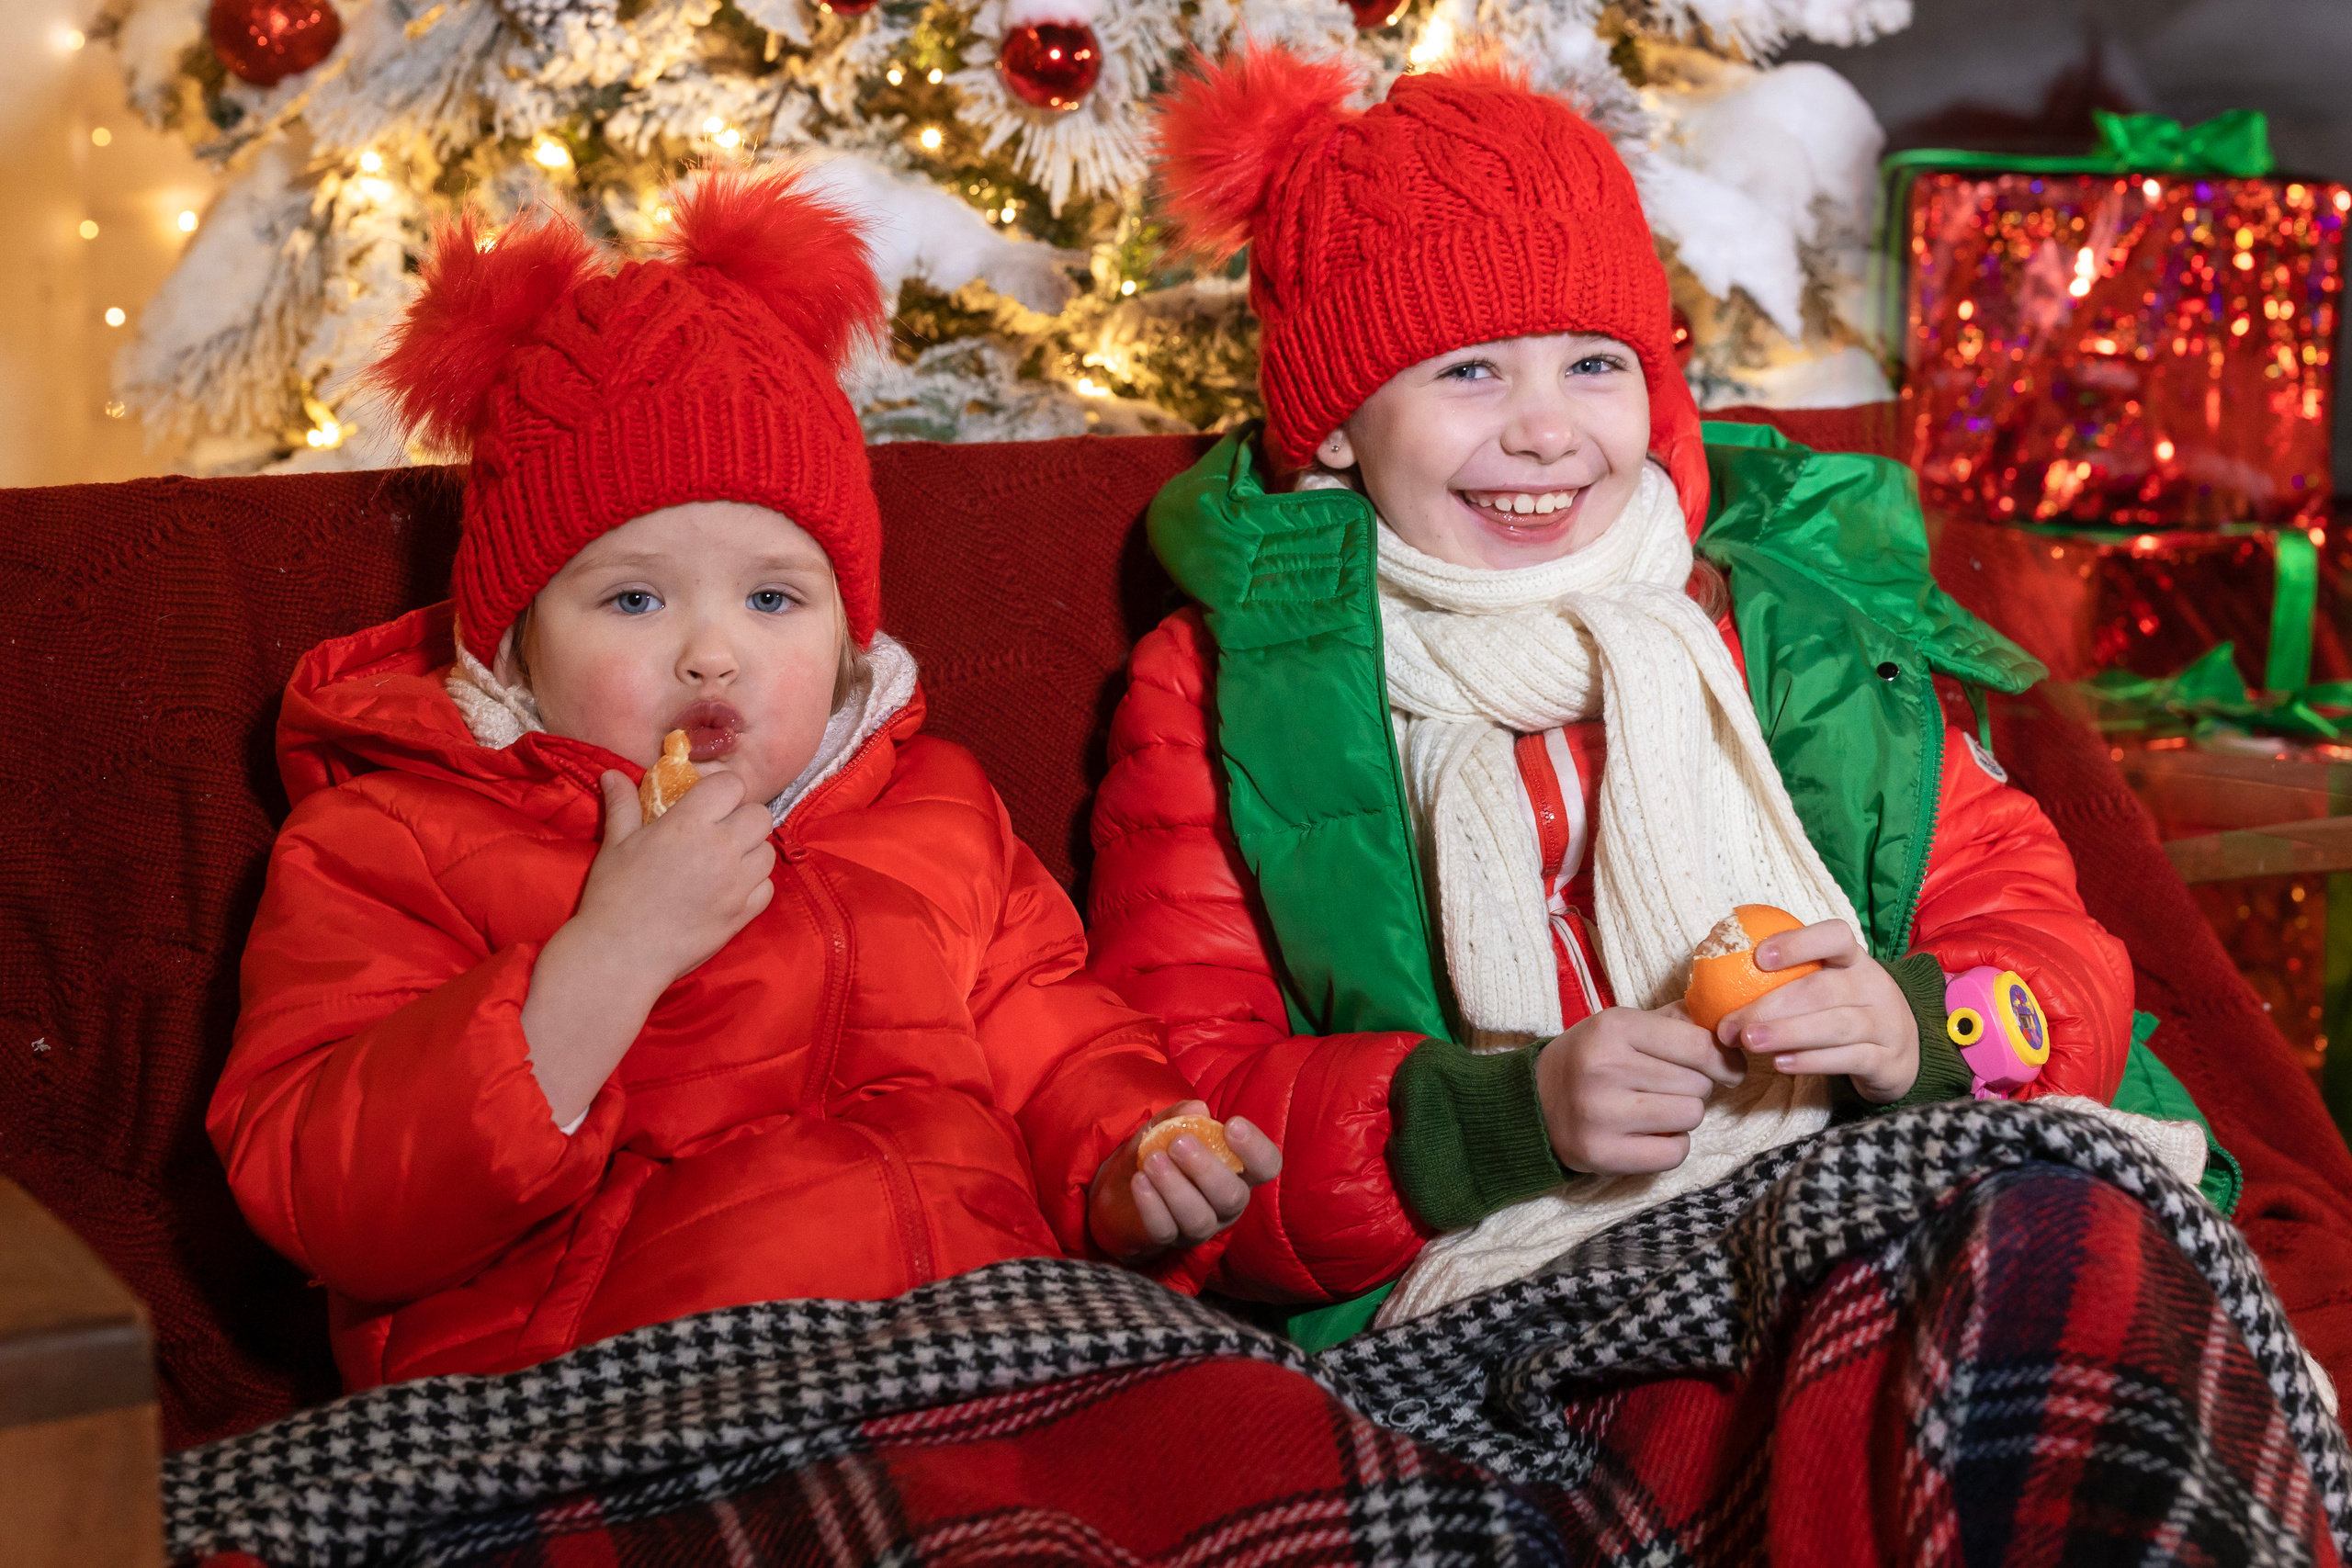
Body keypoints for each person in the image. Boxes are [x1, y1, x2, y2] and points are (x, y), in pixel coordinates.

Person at [1085, 47, 2228, 1341]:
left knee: (2062, 1275)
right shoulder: (1226, 685)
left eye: (1594, 363)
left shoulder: (1773, 626)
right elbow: (1180, 1109)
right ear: (1339, 424)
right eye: (1469, 371)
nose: (1546, 429)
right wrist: (1506, 1118)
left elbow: (2032, 925)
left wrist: (1923, 1026)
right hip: (1530, 1275)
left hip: (1860, 1175)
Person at [209, 170, 1276, 1392]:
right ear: (510, 648)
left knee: (1263, 1427)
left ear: (847, 640)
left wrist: (1133, 1162)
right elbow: (324, 1192)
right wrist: (608, 959)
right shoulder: (394, 833)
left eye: (773, 597)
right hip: (637, 1388)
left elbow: (1052, 1036)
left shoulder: (936, 808)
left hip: (985, 1343)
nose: (713, 652)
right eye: (634, 599)